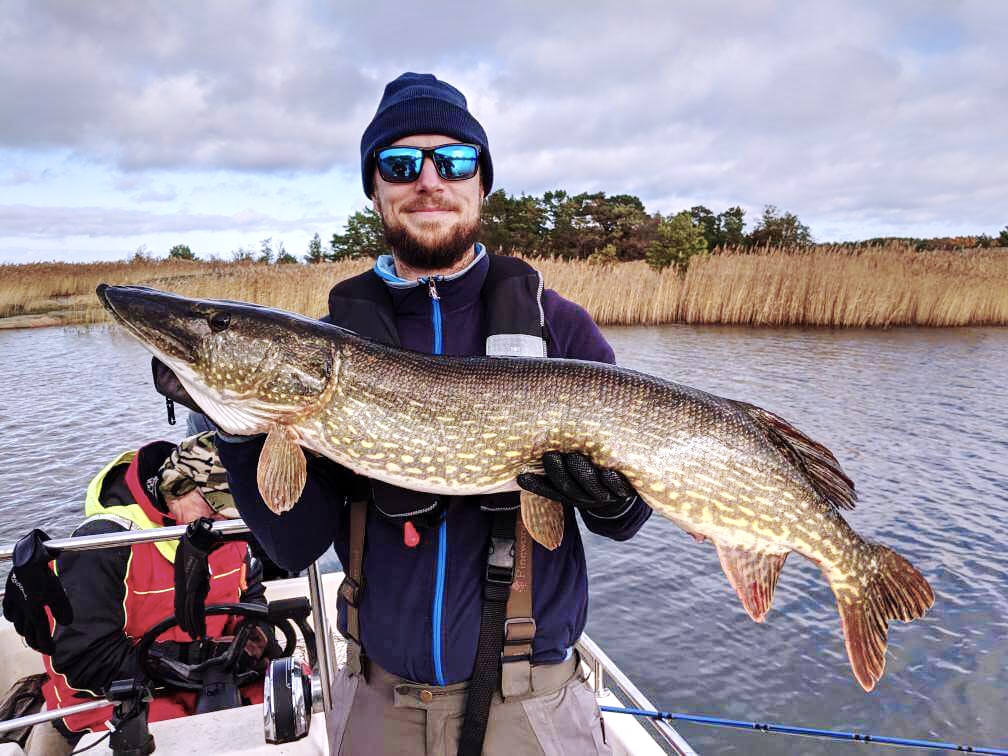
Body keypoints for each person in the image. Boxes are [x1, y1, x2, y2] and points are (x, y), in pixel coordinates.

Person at [215, 72, 651, 755]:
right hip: (378, 705)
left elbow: (628, 519)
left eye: (452, 161)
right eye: (399, 163)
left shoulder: (559, 329)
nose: (427, 180)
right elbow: (293, 544)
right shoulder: (330, 350)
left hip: (530, 705)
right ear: (376, 191)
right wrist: (235, 420)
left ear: (481, 184)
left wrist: (617, 502)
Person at [3, 432, 268, 751]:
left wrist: (255, 637)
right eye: (213, 510)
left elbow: (252, 596)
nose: (221, 523)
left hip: (208, 677)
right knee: (178, 738)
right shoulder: (102, 545)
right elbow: (85, 659)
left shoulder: (230, 530)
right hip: (113, 695)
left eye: (230, 513)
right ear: (176, 487)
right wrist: (192, 659)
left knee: (293, 693)